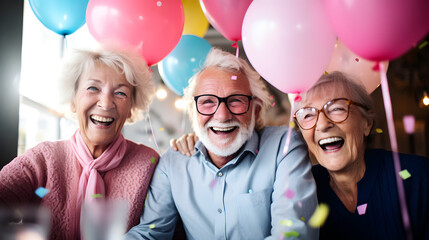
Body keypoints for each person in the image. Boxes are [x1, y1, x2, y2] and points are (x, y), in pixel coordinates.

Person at [125, 48, 318, 239]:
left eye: (236, 101)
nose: (222, 116)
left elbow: (293, 234)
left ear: (256, 110)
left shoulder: (283, 146)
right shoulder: (172, 163)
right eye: (208, 102)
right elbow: (150, 233)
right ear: (193, 113)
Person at [0, 46, 159, 239]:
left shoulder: (148, 162)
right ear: (73, 101)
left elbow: (162, 231)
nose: (106, 103)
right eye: (93, 88)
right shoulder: (42, 158)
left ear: (131, 109)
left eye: (120, 93)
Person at [294, 71, 429, 239]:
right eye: (308, 115)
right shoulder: (302, 190)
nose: (322, 125)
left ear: (367, 124)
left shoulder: (419, 177)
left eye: (336, 108)